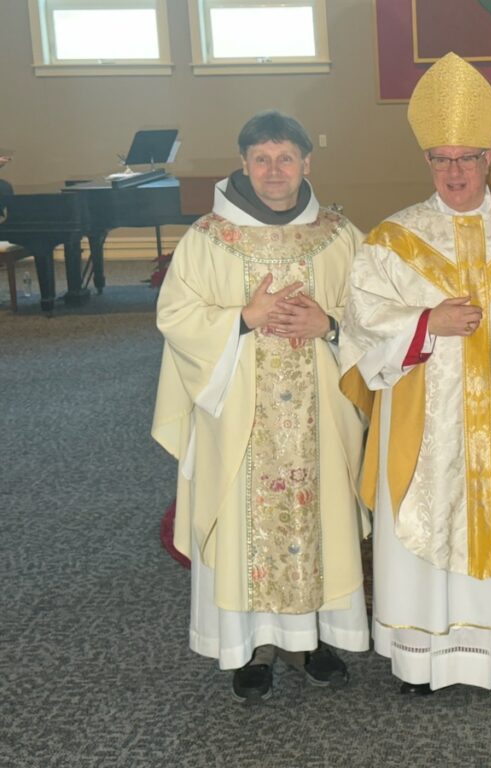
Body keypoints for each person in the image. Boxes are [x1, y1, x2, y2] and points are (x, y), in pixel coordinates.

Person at [340, 52, 491, 695]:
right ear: (427, 163)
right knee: (427, 519)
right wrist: (426, 325)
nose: (453, 171)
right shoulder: (392, 241)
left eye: (466, 158)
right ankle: (424, 659)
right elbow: (362, 325)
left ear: (488, 161)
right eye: (441, 159)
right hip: (430, 428)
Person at [151, 110, 369, 703]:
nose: (275, 171)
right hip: (239, 416)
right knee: (245, 522)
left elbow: (377, 314)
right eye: (262, 159)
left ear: (307, 163)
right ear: (244, 164)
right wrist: (243, 319)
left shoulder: (338, 236)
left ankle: (312, 641)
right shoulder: (208, 237)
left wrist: (329, 324)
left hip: (318, 414)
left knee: (317, 515)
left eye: (286, 158)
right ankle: (249, 648)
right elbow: (174, 316)